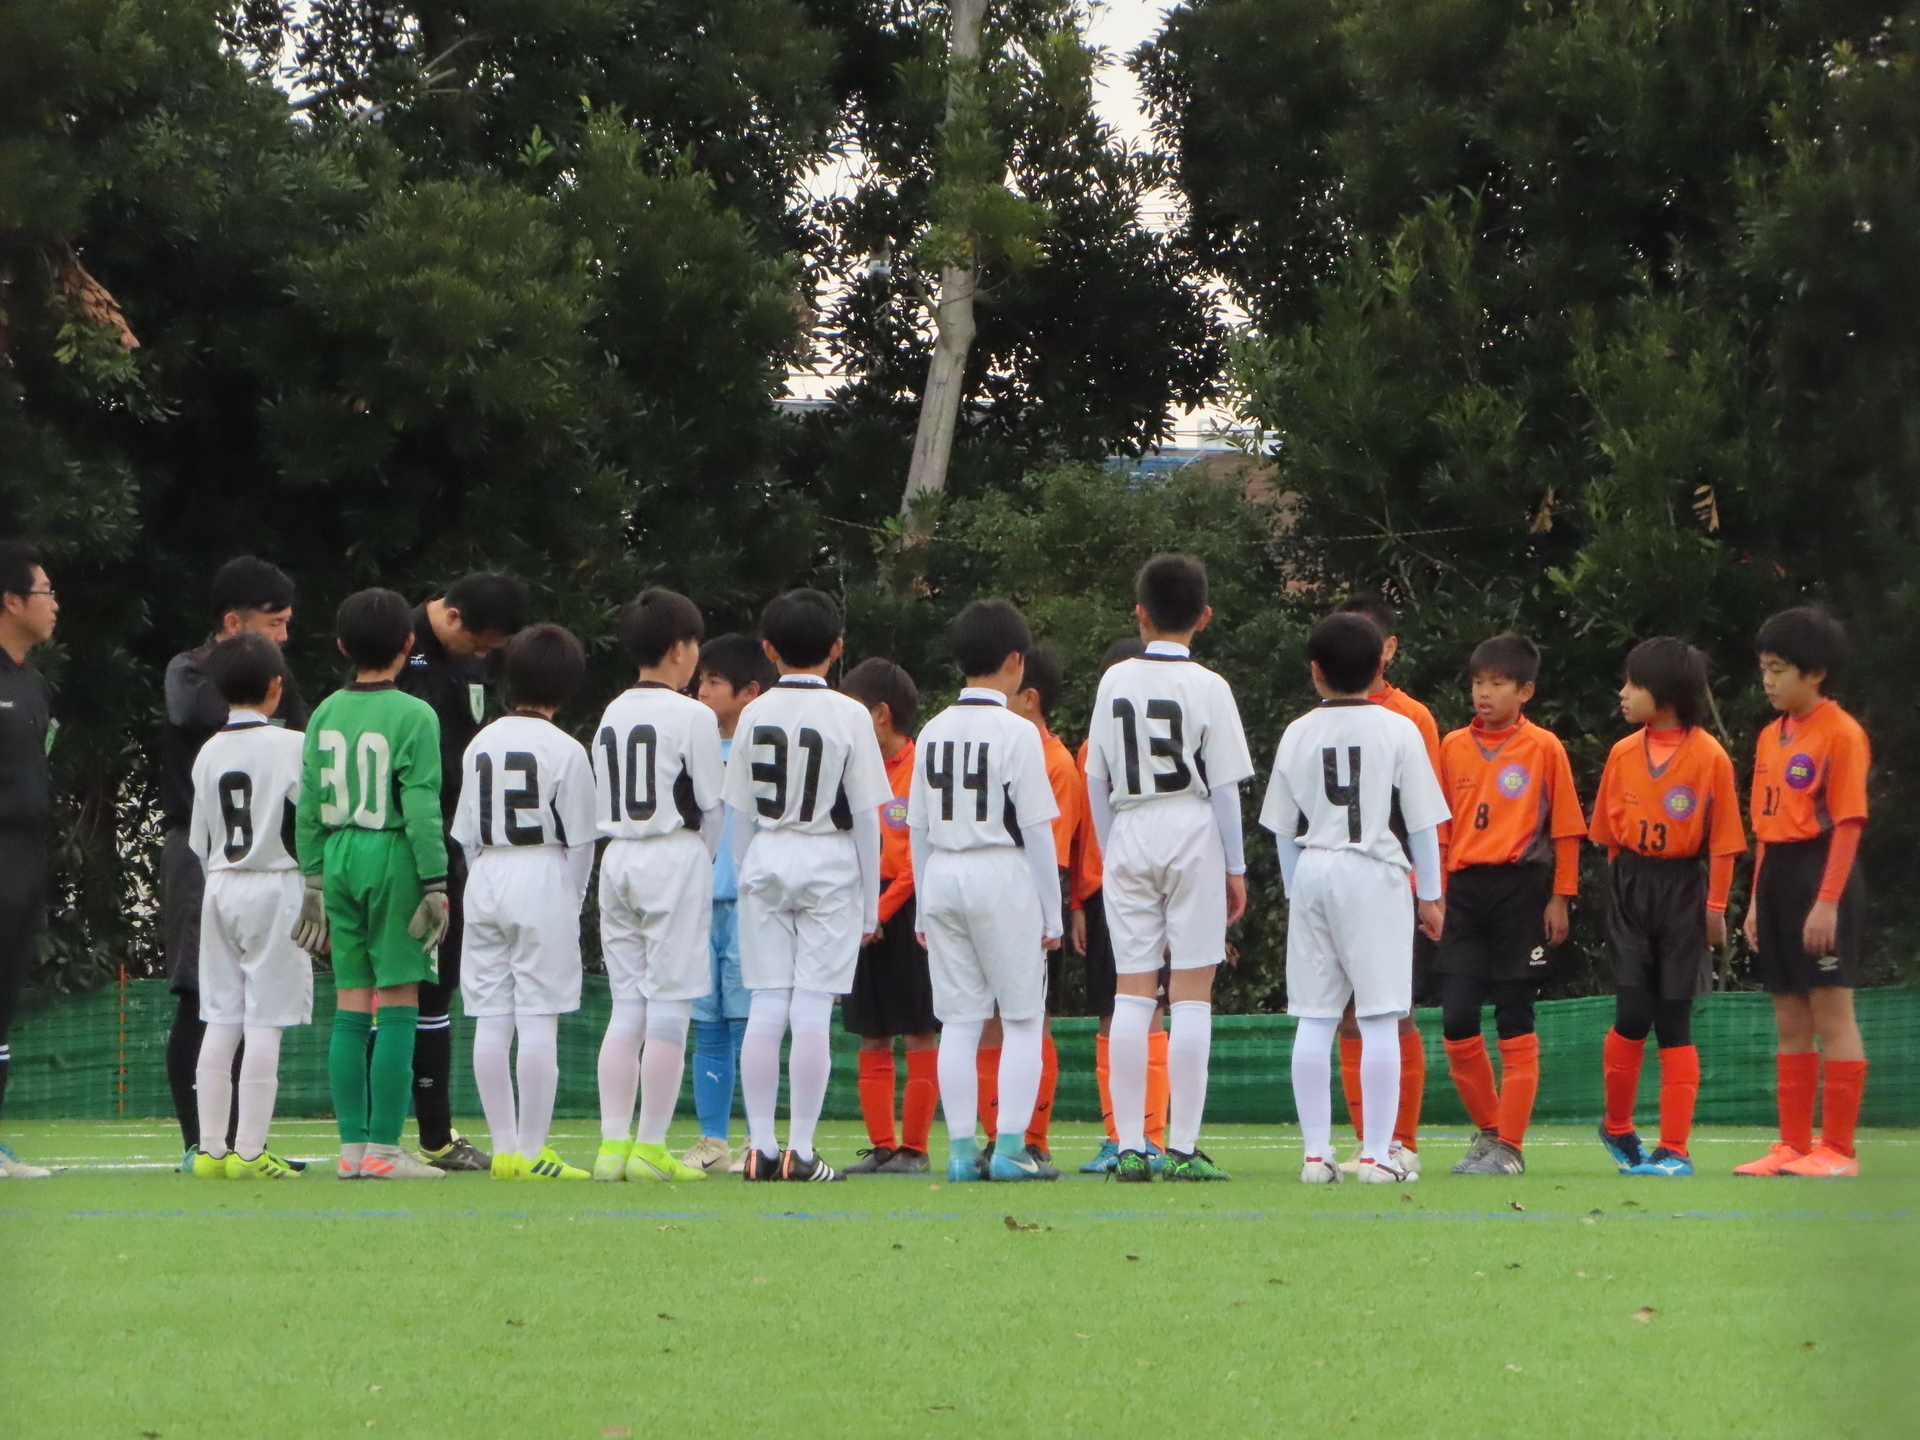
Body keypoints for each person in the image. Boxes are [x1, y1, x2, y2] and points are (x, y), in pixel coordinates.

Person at [1260, 614, 1448, 1184]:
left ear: (1314, 670)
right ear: (1380, 666)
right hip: (1374, 871)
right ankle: (1376, 1155)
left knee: (1315, 1019)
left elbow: (1279, 824)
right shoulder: (1399, 728)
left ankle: (1316, 1157)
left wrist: (1297, 889)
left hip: (1315, 866)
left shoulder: (1297, 731)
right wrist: (1432, 895)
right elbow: (1421, 824)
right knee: (1381, 1017)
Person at [1084, 555, 1254, 1183]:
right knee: (1191, 997)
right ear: (1204, 618)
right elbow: (1228, 786)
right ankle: (1182, 1149)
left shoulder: (1113, 681)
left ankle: (1130, 1146)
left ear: (1140, 614)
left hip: (1129, 826)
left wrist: (1110, 850)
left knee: (1132, 991)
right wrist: (1235, 868)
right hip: (1191, 825)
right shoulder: (1211, 686)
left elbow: (1095, 775)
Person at [724, 589, 891, 1183]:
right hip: (830, 856)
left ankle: (761, 1148)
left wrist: (750, 870)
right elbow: (870, 815)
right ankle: (802, 1148)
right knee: (813, 1003)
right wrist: (871, 901)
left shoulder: (754, 712)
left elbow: (737, 811)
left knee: (767, 1001)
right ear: (838, 648)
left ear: (768, 650)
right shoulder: (849, 714)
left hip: (768, 852)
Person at [296, 589, 450, 1181]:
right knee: (402, 1000)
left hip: (335, 856)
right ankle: (386, 1148)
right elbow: (420, 805)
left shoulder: (324, 713)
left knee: (351, 1005)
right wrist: (435, 882)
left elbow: (308, 803)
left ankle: (352, 1151)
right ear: (409, 645)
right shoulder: (415, 715)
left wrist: (312, 877)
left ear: (341, 646)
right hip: (392, 855)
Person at [160, 557, 308, 1170]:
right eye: (274, 624)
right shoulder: (188, 670)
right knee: (209, 1002)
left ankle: (231, 1144)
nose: (283, 638)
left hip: (219, 863)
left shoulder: (230, 739)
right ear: (232, 621)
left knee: (224, 1011)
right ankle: (214, 1142)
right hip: (233, 866)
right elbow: (197, 713)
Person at [909, 602, 1064, 1182]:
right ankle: (1009, 1150)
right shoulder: (1019, 732)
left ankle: (958, 1153)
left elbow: (918, 827)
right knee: (1022, 1018)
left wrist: (924, 903)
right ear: (1015, 662)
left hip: (944, 872)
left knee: (959, 1021)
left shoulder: (932, 730)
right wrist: (1051, 911)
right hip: (1002, 873)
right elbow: (1036, 830)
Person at [1589, 638, 1746, 1177]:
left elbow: (1724, 842)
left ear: (1668, 695)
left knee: (1674, 1021)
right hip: (1631, 885)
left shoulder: (1709, 757)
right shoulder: (1622, 753)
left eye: (1634, 684)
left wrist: (1715, 907)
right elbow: (1608, 837)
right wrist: (1622, 887)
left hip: (1684, 889)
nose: (1624, 693)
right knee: (1632, 1015)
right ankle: (1616, 1124)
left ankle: (1674, 1149)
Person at [1435, 632, 1586, 1176]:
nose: (1484, 693)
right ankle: (1491, 1131)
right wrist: (1435, 895)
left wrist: (1561, 898)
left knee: (1515, 1017)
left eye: (1498, 683)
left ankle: (1511, 1149)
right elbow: (1440, 828)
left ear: (1525, 691)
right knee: (1456, 1021)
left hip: (1521, 891)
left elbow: (1567, 829)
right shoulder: (1451, 746)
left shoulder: (1544, 747)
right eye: (1478, 682)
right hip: (1465, 894)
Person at [452, 624, 598, 1182]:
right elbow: (582, 838)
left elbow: (463, 831)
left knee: (492, 1016)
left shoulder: (480, 742)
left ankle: (505, 1148)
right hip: (543, 869)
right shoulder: (565, 748)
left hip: (486, 871)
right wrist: (572, 896)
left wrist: (480, 877)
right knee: (538, 1019)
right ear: (566, 688)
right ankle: (534, 1149)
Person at [590, 590, 725, 1184]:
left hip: (616, 856)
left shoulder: (612, 709)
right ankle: (651, 1147)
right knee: (670, 1005)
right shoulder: (694, 715)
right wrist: (703, 860)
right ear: (679, 649)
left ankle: (611, 1146)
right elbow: (712, 807)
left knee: (627, 1005)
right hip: (672, 855)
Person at [396, 572, 527, 1171]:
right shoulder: (395, 640)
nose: (483, 658)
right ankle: (381, 1138)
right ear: (451, 619)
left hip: (453, 840)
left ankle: (434, 1135)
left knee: (439, 984)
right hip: (401, 841)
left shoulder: (472, 662)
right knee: (394, 988)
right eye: (480, 645)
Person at [1735, 608, 1871, 1178]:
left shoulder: (1841, 733)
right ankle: (1793, 1144)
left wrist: (1827, 900)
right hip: (1777, 876)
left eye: (1779, 668)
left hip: (1821, 874)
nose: (1768, 680)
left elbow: (1847, 822)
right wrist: (1754, 902)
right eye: (1764, 668)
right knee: (1789, 1015)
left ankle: (1838, 1150)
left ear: (1814, 674)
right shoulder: (1772, 735)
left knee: (1831, 1010)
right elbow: (1767, 824)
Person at [186, 633, 318, 1180]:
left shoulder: (207, 751)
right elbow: (310, 822)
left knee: (221, 1017)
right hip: (276, 885)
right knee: (266, 1022)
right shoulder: (293, 745)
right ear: (275, 688)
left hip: (220, 883)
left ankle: (211, 1152)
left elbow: (199, 841)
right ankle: (250, 1151)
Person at [1334, 594, 1444, 1177]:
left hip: (1391, 881)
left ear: (1388, 650)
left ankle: (1403, 1139)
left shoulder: (1413, 718)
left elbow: (1425, 812)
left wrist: (1431, 888)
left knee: (1394, 1011)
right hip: (1337, 883)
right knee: (1347, 1013)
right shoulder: (1321, 718)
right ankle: (1366, 1137)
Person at [1072, 638, 1172, 1175]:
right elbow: (1084, 832)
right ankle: (1119, 1134)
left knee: (1150, 1007)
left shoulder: (1165, 742)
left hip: (1151, 887)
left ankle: (1151, 1133)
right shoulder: (1092, 748)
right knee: (1114, 1014)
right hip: (1104, 891)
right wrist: (1078, 903)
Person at [680, 635, 776, 1175]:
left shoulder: (758, 751)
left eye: (715, 682)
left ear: (749, 692)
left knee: (747, 1022)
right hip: (698, 904)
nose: (702, 690)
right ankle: (711, 1140)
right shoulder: (693, 747)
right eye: (703, 679)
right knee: (708, 1025)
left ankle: (755, 1138)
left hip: (746, 904)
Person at [839, 658, 938, 1176]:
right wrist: (859, 910)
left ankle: (915, 1150)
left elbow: (920, 858)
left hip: (907, 913)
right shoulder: (853, 768)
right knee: (871, 1031)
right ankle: (882, 1145)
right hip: (862, 907)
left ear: (880, 715)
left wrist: (877, 911)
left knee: (920, 1028)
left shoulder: (924, 767)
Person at [1003, 646, 1079, 1162]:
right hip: (994, 897)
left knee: (1032, 1021)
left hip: (1034, 902)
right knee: (986, 1020)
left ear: (1030, 699)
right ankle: (996, 1135)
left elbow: (1050, 851)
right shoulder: (1004, 746)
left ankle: (1034, 1139)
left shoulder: (1057, 764)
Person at [0, 542, 57, 1178]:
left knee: (5, 999)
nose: (53, 604)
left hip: (24, 858)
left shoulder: (33, 684)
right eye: (44, 592)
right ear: (11, 601)